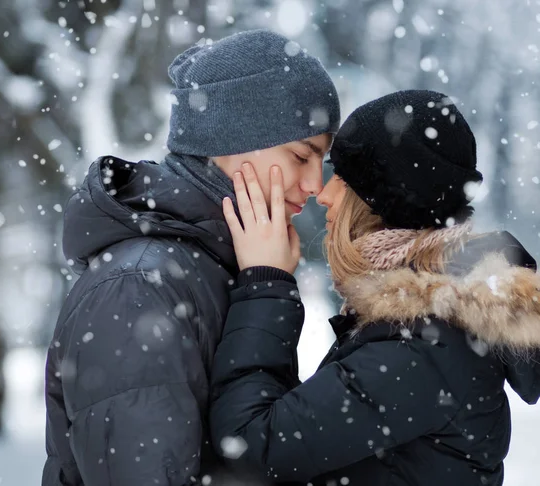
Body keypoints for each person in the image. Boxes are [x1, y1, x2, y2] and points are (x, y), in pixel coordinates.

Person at [42, 29, 340, 486]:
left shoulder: (213, 268)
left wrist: (266, 285)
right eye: (302, 155)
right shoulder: (139, 286)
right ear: (231, 140)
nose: (316, 185)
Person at [210, 90, 540, 485]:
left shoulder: (424, 346)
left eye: (344, 180)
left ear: (386, 203)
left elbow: (250, 445)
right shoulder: (427, 330)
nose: (324, 194)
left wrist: (265, 283)